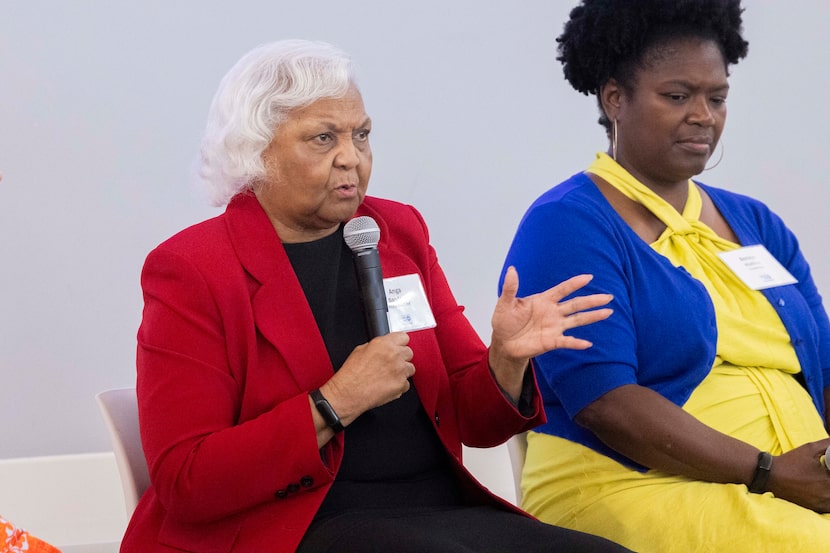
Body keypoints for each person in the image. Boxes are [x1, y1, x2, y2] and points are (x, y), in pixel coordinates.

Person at [120, 39, 631, 553]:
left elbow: (475, 423)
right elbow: (187, 480)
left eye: (361, 135)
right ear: (256, 153)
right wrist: (336, 401)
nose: (352, 158)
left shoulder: (396, 231)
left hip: (438, 510)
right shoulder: (193, 269)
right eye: (323, 138)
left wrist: (505, 360)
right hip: (296, 525)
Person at [500, 1, 830, 551]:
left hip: (795, 485)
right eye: (677, 96)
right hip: (632, 484)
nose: (703, 115)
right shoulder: (569, 224)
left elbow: (821, 364)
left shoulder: (756, 223)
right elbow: (608, 403)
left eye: (717, 98)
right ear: (615, 99)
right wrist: (769, 472)